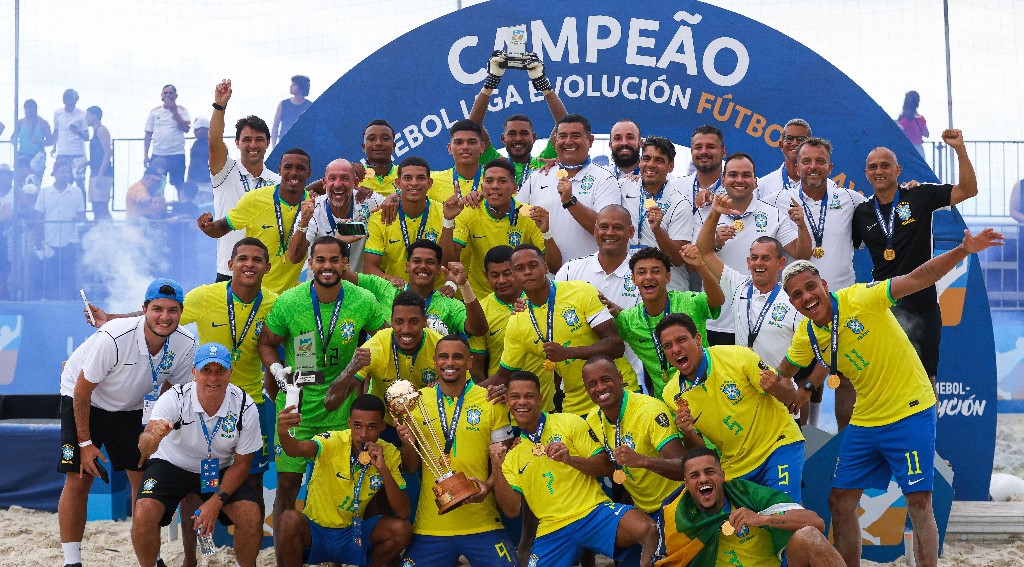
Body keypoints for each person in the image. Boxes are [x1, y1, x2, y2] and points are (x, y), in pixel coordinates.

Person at [775, 226, 1003, 567]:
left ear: (824, 284)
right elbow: (789, 369)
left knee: (919, 503)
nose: (806, 297)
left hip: (909, 410)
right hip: (867, 418)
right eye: (797, 294)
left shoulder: (859, 298)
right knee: (840, 502)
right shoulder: (807, 333)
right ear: (791, 302)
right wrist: (792, 386)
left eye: (810, 287)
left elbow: (919, 277)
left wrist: (963, 250)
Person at [87, 238, 279, 566]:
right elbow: (162, 314)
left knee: (252, 489)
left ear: (267, 267)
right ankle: (190, 558)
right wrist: (112, 318)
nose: (249, 264)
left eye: (257, 259)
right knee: (188, 485)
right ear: (230, 264)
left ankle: (248, 557)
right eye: (242, 258)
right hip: (200, 402)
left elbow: (282, 340)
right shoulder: (205, 297)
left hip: (250, 399)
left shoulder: (274, 303)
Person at [258, 235, 388, 548]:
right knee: (287, 486)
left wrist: (362, 373)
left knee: (353, 481)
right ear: (310, 264)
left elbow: (384, 339)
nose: (326, 266)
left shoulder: (363, 300)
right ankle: (284, 556)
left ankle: (353, 550)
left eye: (334, 260)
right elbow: (266, 342)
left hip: (342, 407)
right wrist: (276, 371)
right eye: (320, 260)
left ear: (345, 264)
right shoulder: (290, 301)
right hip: (296, 406)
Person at [57, 279, 196, 567]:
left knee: (145, 481)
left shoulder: (186, 343)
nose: (165, 317)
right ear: (144, 309)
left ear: (181, 312)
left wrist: (157, 429)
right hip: (86, 398)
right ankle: (72, 561)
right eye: (157, 309)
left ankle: (151, 557)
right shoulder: (115, 336)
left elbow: (173, 391)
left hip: (132, 406)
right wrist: (85, 443)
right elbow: (82, 389)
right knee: (79, 478)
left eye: (172, 310)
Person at [491, 371, 659, 567]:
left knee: (648, 530)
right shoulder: (512, 456)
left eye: (529, 396)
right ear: (508, 401)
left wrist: (570, 460)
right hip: (552, 530)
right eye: (515, 396)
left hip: (593, 513)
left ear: (540, 399)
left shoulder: (569, 422)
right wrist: (496, 466)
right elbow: (511, 510)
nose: (522, 402)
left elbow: (606, 466)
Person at [851, 129, 978, 385]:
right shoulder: (861, 213)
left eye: (885, 165)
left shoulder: (919, 196)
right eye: (873, 167)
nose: (879, 171)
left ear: (898, 170)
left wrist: (959, 149)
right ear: (866, 174)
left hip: (922, 306)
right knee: (885, 380)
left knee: (926, 380)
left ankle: (929, 414)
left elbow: (968, 190)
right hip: (884, 308)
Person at [132, 343, 263, 567]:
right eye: (206, 370)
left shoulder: (244, 406)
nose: (213, 378)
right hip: (172, 464)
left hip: (219, 467)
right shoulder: (175, 397)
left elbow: (242, 464)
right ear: (194, 372)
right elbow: (145, 448)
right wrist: (153, 437)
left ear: (230, 372)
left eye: (220, 370)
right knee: (143, 511)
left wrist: (216, 501)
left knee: (251, 515)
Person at [394, 335, 520, 567]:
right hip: (431, 526)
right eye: (443, 357)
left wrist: (488, 486)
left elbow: (505, 458)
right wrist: (408, 443)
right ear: (434, 362)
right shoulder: (417, 402)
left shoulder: (491, 400)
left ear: (470, 362)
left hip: (482, 523)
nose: (450, 362)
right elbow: (411, 467)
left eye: (458, 357)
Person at [655, 313, 806, 501]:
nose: (676, 349)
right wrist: (688, 432)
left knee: (784, 511)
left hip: (777, 446)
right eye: (667, 346)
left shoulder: (737, 356)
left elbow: (791, 400)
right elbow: (699, 450)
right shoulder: (672, 394)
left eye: (681, 340)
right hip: (735, 466)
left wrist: (774, 387)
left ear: (698, 339)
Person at [492, 244, 638, 416]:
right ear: (513, 275)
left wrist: (568, 353)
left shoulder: (580, 291)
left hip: (618, 390)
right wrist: (467, 390)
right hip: (576, 405)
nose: (527, 272)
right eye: (520, 268)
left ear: (545, 267)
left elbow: (616, 346)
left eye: (533, 265)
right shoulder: (517, 322)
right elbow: (502, 376)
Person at [276, 394, 411, 567]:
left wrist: (383, 469)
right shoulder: (333, 441)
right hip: (316, 532)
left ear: (383, 426)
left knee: (402, 530)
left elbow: (403, 512)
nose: (363, 434)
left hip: (353, 533)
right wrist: (284, 433)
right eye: (357, 426)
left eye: (372, 427)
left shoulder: (388, 452)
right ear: (349, 423)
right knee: (288, 520)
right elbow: (295, 449)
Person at [582, 356, 686, 565]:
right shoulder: (593, 419)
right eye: (592, 384)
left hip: (676, 504)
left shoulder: (649, 410)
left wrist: (642, 460)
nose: (600, 388)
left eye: (605, 379)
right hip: (642, 510)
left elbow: (684, 467)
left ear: (620, 378)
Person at [699, 152, 810, 345]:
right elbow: (698, 255)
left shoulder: (774, 215)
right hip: (717, 320)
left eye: (746, 175)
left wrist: (801, 226)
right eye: (733, 175)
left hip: (762, 320)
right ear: (723, 180)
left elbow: (802, 254)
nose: (739, 180)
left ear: (755, 181)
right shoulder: (705, 212)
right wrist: (715, 226)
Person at [676, 447, 845, 567]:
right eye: (694, 475)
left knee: (807, 536)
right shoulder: (679, 519)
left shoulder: (746, 495)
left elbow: (816, 522)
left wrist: (763, 519)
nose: (703, 479)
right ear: (686, 484)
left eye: (709, 472)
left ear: (722, 475)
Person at [606, 246, 723, 399]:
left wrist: (700, 266)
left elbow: (717, 300)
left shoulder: (689, 302)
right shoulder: (628, 321)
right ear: (633, 279)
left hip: (709, 396)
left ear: (667, 277)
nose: (648, 277)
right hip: (668, 405)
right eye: (641, 272)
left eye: (656, 271)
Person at [441, 158, 561, 299]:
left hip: (522, 298)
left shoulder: (529, 214)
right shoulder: (469, 211)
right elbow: (448, 261)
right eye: (489, 181)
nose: (495, 186)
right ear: (482, 186)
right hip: (480, 298)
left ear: (515, 188)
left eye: (502, 181)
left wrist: (546, 233)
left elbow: (554, 267)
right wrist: (448, 221)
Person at [198, 148, 312, 294]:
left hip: (288, 297)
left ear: (309, 173)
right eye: (288, 167)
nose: (294, 172)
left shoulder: (313, 206)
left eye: (300, 168)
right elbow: (222, 227)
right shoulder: (255, 199)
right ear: (279, 170)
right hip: (254, 294)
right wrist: (208, 226)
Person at [763, 138, 866, 291]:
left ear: (830, 168)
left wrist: (903, 193)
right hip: (797, 300)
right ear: (797, 168)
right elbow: (747, 210)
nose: (813, 166)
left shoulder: (850, 199)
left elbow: (882, 212)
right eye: (806, 161)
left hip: (842, 296)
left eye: (820, 161)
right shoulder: (777, 200)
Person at [518, 114, 621, 262]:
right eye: (563, 136)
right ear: (555, 141)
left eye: (575, 136)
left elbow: (608, 232)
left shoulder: (604, 179)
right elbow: (515, 214)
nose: (568, 141)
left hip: (589, 274)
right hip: (547, 274)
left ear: (590, 141)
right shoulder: (538, 177)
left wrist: (570, 202)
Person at [207, 79, 281, 282]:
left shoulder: (277, 183)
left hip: (267, 275)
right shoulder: (225, 171)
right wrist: (219, 106)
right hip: (229, 271)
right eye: (247, 139)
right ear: (237, 143)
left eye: (259, 139)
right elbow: (214, 142)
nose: (253, 145)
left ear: (268, 143)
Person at [345, 239, 487, 336]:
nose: (423, 266)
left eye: (430, 262)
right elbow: (343, 274)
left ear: (439, 269)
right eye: (417, 261)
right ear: (407, 266)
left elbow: (478, 329)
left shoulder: (449, 304)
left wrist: (464, 286)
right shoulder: (387, 288)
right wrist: (340, 244)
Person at [472, 51, 564, 188]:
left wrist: (544, 85)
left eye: (524, 133)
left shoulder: (544, 162)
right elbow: (473, 128)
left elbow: (565, 125)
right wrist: (491, 82)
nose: (518, 138)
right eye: (512, 133)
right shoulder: (495, 163)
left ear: (534, 137)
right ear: (503, 139)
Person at [621, 136, 693, 291]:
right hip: (630, 284)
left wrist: (658, 230)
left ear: (670, 166)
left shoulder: (680, 203)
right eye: (646, 158)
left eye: (659, 160)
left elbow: (678, 259)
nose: (651, 165)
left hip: (669, 287)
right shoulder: (623, 187)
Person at [288, 158, 385, 272]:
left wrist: (393, 198)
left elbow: (397, 203)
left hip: (358, 282)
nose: (338, 184)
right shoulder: (313, 210)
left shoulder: (369, 201)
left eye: (344, 178)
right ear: (324, 183)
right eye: (332, 178)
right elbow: (294, 258)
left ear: (355, 182)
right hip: (323, 279)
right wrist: (304, 223)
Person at [364, 156, 445, 286]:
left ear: (430, 183)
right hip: (397, 291)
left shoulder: (444, 214)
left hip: (435, 292)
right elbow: (369, 267)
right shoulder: (381, 217)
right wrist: (389, 279)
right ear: (398, 183)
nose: (414, 183)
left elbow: (450, 262)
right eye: (407, 178)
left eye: (421, 178)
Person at [468, 246, 523, 384]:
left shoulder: (536, 298)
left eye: (507, 273)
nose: (502, 280)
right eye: (495, 275)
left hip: (544, 393)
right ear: (486, 276)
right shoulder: (480, 312)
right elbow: (476, 368)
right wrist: (482, 394)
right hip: (500, 392)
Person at [34, 159, 85, 300]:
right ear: (54, 173)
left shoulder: (76, 192)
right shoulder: (44, 192)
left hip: (70, 240)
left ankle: (67, 303)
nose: (65, 174)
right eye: (62, 171)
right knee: (51, 277)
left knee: (68, 276)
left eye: (67, 172)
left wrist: (77, 217)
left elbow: (82, 214)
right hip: (50, 241)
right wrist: (37, 240)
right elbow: (39, 217)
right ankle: (53, 302)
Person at [428, 119, 500, 203]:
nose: (465, 147)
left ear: (482, 147)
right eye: (459, 143)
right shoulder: (433, 181)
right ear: (450, 148)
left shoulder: (499, 180)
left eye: (472, 142)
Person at [144, 84, 191, 190]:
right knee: (155, 185)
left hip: (177, 154)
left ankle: (180, 201)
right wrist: (145, 155)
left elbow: (186, 129)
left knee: (179, 185)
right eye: (165, 93)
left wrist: (174, 111)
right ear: (161, 95)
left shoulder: (182, 110)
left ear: (176, 96)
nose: (168, 95)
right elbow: (148, 133)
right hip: (158, 154)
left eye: (170, 93)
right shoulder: (154, 112)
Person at [756, 118, 811, 200]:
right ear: (781, 145)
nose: (794, 143)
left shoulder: (824, 186)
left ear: (810, 146)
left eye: (801, 139)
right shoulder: (763, 186)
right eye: (789, 139)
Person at [49, 88, 89, 192]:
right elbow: (56, 131)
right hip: (62, 153)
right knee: (62, 183)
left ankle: (81, 203)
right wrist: (54, 147)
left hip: (78, 154)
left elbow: (87, 136)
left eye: (73, 103)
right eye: (69, 103)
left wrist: (77, 132)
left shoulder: (82, 114)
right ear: (64, 101)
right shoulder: (57, 113)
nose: (71, 106)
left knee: (80, 184)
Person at [84, 106, 113, 220]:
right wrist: (88, 163)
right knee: (96, 206)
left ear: (94, 116)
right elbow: (99, 155)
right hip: (95, 172)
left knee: (101, 206)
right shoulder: (95, 132)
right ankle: (99, 228)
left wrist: (100, 174)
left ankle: (109, 228)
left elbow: (108, 152)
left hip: (102, 173)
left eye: (87, 115)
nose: (86, 118)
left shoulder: (101, 130)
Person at [12, 99, 52, 181]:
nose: (28, 114)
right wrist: (14, 142)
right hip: (22, 155)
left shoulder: (43, 123)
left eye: (30, 112)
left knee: (35, 181)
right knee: (20, 181)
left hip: (37, 156)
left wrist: (39, 142)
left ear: (35, 110)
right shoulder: (20, 123)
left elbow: (50, 141)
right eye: (26, 112)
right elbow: (13, 137)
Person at [359, 119, 400, 197]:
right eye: (371, 139)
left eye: (385, 138)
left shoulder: (405, 175)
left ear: (394, 146)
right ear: (363, 147)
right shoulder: (353, 178)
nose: (378, 143)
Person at [272, 75, 313, 146]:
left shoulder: (310, 106)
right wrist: (274, 146)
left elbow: (314, 128)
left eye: (294, 84)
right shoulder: (283, 104)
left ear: (301, 87)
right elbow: (275, 126)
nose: (290, 86)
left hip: (303, 145)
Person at [897, 91, 929, 158]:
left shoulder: (903, 120)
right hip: (918, 150)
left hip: (906, 150)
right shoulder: (921, 119)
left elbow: (898, 136)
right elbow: (926, 134)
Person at [188, 116, 212, 198]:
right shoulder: (196, 144)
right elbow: (193, 163)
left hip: (208, 184)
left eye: (197, 129)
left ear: (205, 130)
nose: (194, 132)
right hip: (195, 182)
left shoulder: (215, 144)